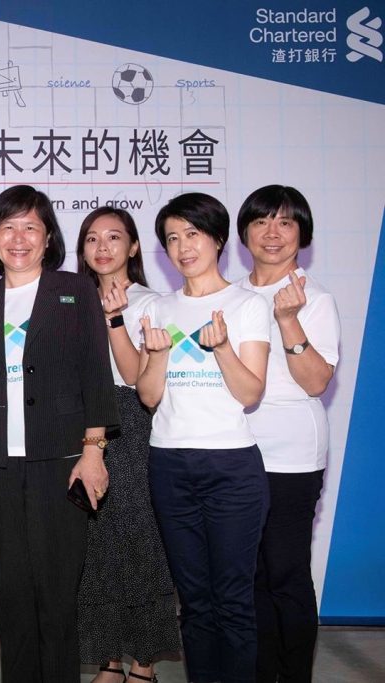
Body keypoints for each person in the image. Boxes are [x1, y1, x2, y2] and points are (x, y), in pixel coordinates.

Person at [0, 184, 119, 682]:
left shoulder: (74, 290)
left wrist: (93, 452)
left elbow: (95, 373)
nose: (18, 238)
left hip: (61, 457)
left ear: (47, 239)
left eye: (30, 227)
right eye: (8, 227)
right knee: (11, 591)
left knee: (57, 587)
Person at [137, 192, 271, 683]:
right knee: (193, 601)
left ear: (217, 239)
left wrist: (223, 348)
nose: (182, 247)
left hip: (231, 467)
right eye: (172, 238)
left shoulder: (247, 304)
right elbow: (149, 396)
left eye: (192, 234)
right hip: (170, 464)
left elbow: (250, 393)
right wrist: (157, 356)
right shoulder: (159, 307)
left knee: (232, 599)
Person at [236, 186, 340, 683]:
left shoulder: (314, 298)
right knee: (249, 575)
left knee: (285, 571)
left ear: (303, 233)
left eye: (285, 222)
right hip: (234, 449)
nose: (271, 233)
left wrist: (287, 320)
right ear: (243, 233)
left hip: (291, 456)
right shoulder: (230, 295)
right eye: (261, 222)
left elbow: (316, 382)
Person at [75, 207, 180, 683]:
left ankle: (143, 663)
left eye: (114, 237)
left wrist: (114, 318)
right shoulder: (71, 301)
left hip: (132, 422)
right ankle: (108, 660)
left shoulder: (149, 302)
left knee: (140, 543)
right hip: (81, 424)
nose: (102, 247)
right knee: (96, 549)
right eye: (92, 239)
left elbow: (137, 377)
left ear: (134, 247)